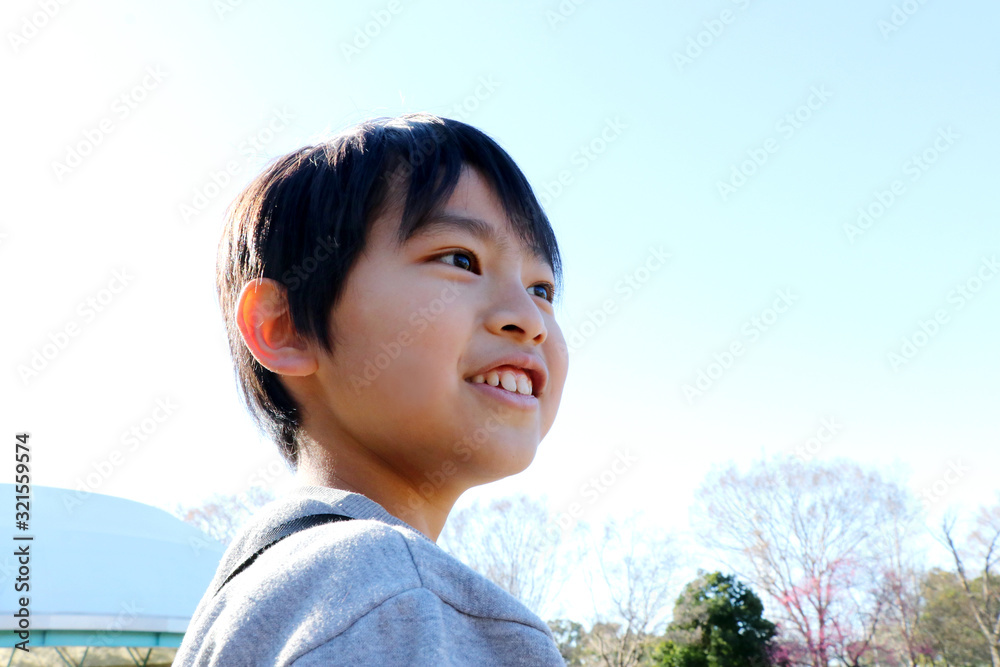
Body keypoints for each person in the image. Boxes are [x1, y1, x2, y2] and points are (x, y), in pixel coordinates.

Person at [174, 113, 570, 665]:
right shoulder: (394, 600)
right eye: (461, 259)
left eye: (542, 288)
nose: (529, 320)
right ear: (285, 327)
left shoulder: (257, 597)